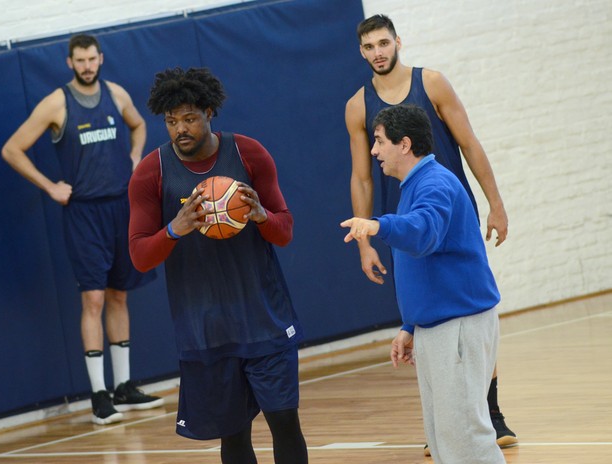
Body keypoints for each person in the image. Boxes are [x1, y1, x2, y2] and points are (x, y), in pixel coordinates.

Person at [344, 14, 516, 452]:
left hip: (434, 217)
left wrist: (496, 203)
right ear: (361, 52)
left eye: (384, 43)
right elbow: (361, 178)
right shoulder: (358, 107)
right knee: (437, 315)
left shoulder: (432, 84)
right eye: (369, 47)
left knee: (462, 310)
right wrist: (365, 241)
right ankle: (458, 421)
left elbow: (470, 144)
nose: (378, 52)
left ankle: (486, 415)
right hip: (405, 221)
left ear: (398, 42)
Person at [128, 67, 308, 464]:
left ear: (210, 112)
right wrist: (174, 229)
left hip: (264, 317)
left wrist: (262, 216)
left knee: (284, 422)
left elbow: (285, 230)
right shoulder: (150, 173)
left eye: (189, 118)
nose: (180, 129)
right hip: (206, 327)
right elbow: (140, 257)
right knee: (234, 437)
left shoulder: (249, 153)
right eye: (171, 121)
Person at [1, 34, 163, 425]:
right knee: (93, 300)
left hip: (121, 208)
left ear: (101, 59)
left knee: (119, 295)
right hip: (84, 214)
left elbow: (139, 125)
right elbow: (11, 149)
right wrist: (49, 186)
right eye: (81, 60)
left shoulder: (117, 94)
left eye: (93, 58)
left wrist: (135, 154)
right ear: (70, 63)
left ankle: (123, 387)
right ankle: (98, 396)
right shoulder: (57, 102)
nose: (88, 65)